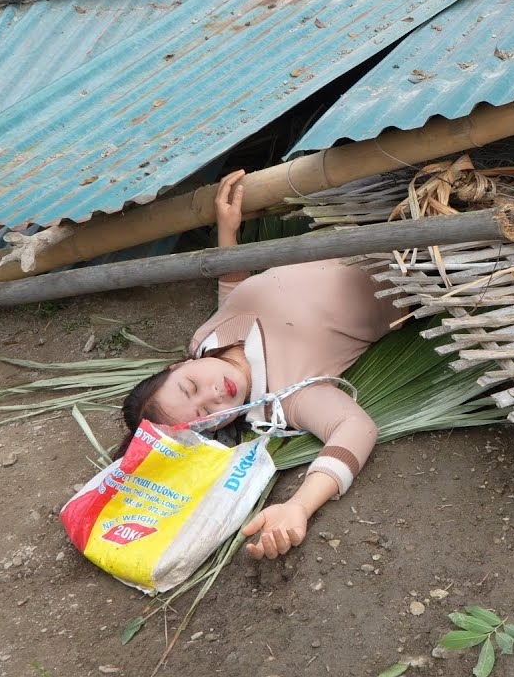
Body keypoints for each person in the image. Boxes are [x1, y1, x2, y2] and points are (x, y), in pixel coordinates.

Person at [116, 170, 405, 561]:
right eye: (206, 415)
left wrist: (227, 230)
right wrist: (300, 506)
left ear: (179, 365)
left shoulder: (205, 342)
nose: (214, 393)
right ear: (215, 429)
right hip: (413, 262)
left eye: (190, 386)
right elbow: (354, 427)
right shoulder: (284, 399)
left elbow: (234, 297)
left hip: (363, 215)